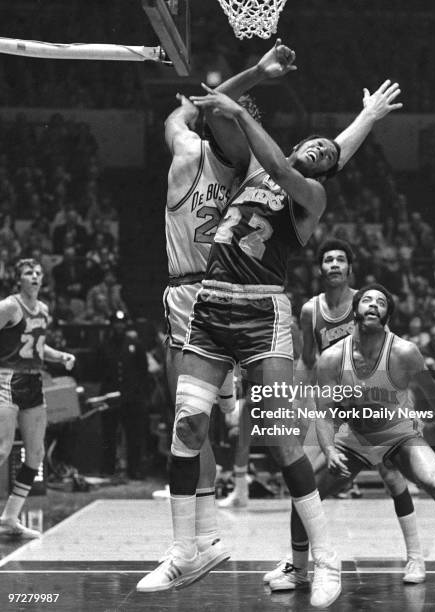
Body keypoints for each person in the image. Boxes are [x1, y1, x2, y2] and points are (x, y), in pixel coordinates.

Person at [137, 67, 403, 608]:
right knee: (187, 424)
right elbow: (217, 111)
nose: (322, 153)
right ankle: (185, 549)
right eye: (316, 146)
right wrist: (361, 116)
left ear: (329, 172)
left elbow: (287, 162)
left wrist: (357, 126)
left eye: (329, 157)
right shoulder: (252, 165)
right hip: (210, 304)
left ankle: (325, 558)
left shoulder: (308, 196)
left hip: (264, 314)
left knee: (283, 440)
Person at [150, 40, 299, 578]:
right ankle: (204, 536)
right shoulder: (195, 153)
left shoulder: (245, 164)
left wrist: (226, 90)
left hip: (243, 295)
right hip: (194, 295)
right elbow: (191, 114)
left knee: (234, 417)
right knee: (190, 420)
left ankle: (282, 534)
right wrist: (250, 77)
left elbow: (188, 113)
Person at [264, 240, 425, 592]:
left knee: (394, 479)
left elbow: (394, 357)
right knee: (302, 481)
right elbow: (308, 361)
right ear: (320, 268)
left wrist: (406, 405)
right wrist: (301, 402)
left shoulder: (366, 302)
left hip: (375, 406)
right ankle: (299, 565)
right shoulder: (310, 311)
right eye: (328, 260)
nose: (334, 265)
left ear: (350, 268)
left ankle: (415, 555)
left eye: (340, 260)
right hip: (334, 409)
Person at [313, 284, 435, 584]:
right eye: (366, 300)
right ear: (354, 311)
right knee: (308, 496)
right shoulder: (332, 357)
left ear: (387, 315)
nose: (372, 305)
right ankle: (298, 564)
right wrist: (329, 450)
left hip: (398, 436)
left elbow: (434, 394)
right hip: (355, 438)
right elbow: (323, 412)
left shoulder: (405, 351)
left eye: (380, 302)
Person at [0, 259, 75, 538]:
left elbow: (40, 346)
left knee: (36, 455)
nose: (34, 276)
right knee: (2, 449)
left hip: (33, 380)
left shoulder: (43, 310)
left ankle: (9, 517)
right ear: (18, 279)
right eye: (28, 272)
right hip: (7, 378)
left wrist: (60, 356)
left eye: (38, 273)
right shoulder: (9, 306)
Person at [97, 313, 149, 479]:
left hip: (131, 397)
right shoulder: (104, 345)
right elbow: (98, 370)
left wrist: (139, 394)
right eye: (116, 324)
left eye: (121, 323)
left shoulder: (136, 345)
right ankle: (108, 468)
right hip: (110, 397)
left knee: (134, 435)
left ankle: (134, 469)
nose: (118, 327)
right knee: (109, 435)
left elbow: (143, 371)